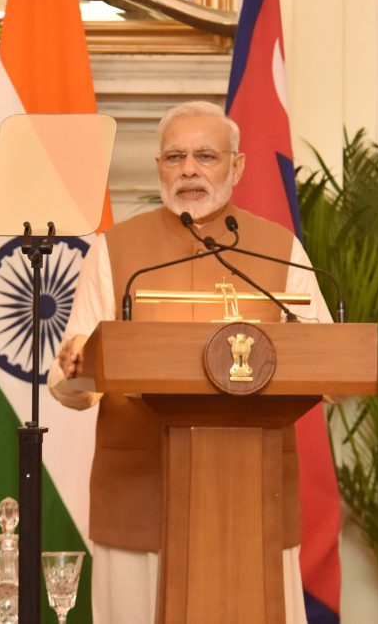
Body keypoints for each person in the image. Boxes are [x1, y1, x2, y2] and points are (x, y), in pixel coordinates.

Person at [48, 101, 331, 624]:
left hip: (254, 497)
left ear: (237, 166)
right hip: (141, 492)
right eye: (175, 157)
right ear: (159, 166)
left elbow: (328, 363)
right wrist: (78, 367)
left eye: (206, 156)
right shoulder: (115, 250)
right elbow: (73, 382)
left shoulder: (278, 250)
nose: (190, 171)